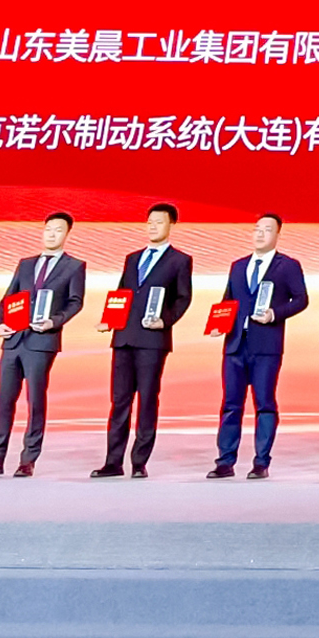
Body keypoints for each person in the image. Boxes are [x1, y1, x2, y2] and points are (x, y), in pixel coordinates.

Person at [0, 211, 82, 477]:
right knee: (4, 400)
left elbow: (75, 301)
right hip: (13, 340)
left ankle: (28, 459)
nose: (51, 234)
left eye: (58, 230)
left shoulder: (75, 266)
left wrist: (54, 321)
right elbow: (8, 297)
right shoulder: (26, 264)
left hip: (42, 341)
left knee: (35, 401)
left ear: (67, 234)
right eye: (48, 229)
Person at [92, 202, 192, 479]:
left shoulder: (180, 260)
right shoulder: (133, 258)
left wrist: (165, 320)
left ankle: (139, 461)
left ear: (171, 225)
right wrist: (109, 320)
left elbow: (183, 297)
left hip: (152, 339)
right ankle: (113, 462)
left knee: (147, 400)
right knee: (119, 402)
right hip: (124, 338)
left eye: (159, 222)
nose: (153, 227)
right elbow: (122, 294)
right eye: (150, 222)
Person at [209, 214, 305, 480]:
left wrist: (275, 314)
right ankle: (225, 461)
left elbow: (301, 299)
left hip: (266, 346)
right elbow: (228, 300)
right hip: (235, 345)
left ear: (277, 235)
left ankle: (261, 462)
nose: (260, 234)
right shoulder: (238, 266)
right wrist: (219, 323)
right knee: (230, 404)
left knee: (264, 404)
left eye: (267, 230)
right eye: (257, 229)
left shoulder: (287, 266)